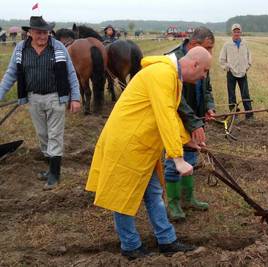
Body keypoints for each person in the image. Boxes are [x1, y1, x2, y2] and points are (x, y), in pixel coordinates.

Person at [85, 46, 212, 260]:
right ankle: (131, 246)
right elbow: (165, 116)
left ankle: (167, 241)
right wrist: (178, 157)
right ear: (195, 64)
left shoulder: (170, 77)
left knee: (153, 193)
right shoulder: (163, 74)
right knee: (123, 197)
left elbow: (168, 113)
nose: (204, 76)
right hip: (127, 144)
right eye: (205, 70)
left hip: (141, 146)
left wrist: (187, 140)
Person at [0, 16, 81, 190]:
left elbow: (71, 73)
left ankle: (54, 174)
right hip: (33, 98)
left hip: (55, 98)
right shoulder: (21, 49)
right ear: (30, 33)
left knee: (54, 135)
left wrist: (75, 97)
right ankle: (50, 167)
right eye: (38, 33)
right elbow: (10, 74)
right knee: (42, 134)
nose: (43, 36)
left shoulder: (58, 47)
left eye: (45, 32)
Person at [164, 27, 215, 221]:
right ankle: (174, 203)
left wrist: (209, 107)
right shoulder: (174, 62)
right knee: (174, 160)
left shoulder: (202, 60)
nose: (209, 53)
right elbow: (177, 99)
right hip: (178, 120)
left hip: (196, 120)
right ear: (194, 45)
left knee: (191, 159)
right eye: (207, 48)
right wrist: (194, 122)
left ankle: (188, 198)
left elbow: (206, 88)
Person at [219, 23, 253, 119]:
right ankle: (234, 115)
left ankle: (249, 115)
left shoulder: (245, 44)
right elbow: (222, 59)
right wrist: (227, 68)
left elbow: (249, 56)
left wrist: (247, 66)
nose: (237, 33)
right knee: (231, 95)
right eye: (235, 31)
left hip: (243, 72)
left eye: (238, 31)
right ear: (232, 32)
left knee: (245, 94)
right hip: (231, 73)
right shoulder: (227, 45)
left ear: (241, 32)